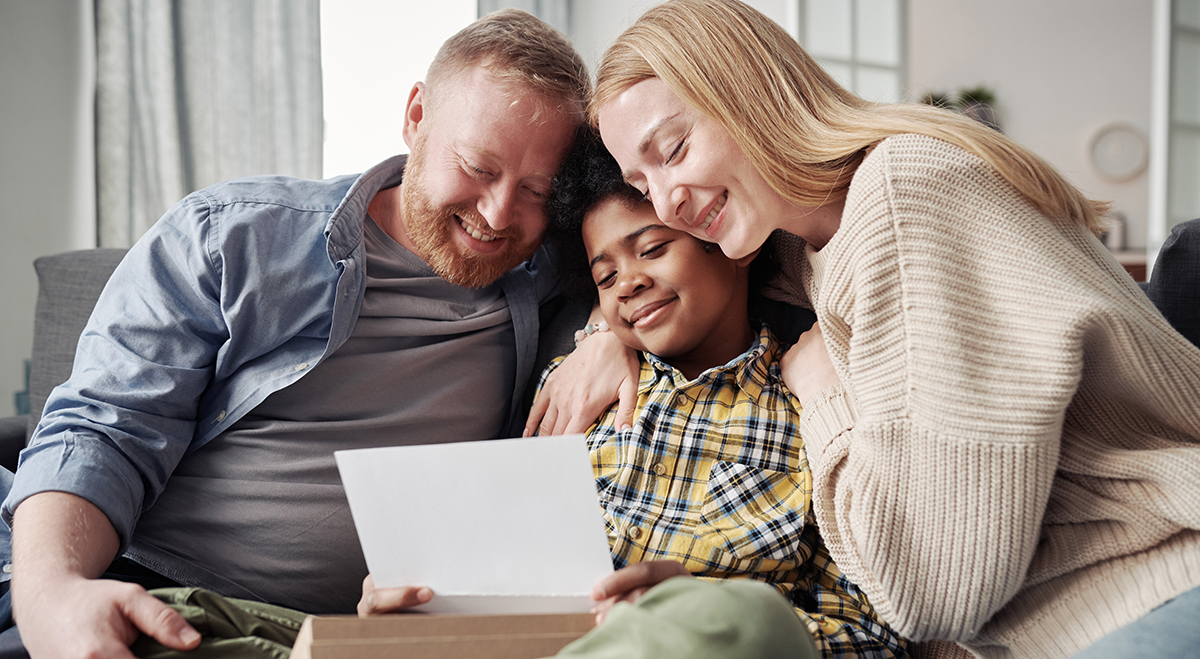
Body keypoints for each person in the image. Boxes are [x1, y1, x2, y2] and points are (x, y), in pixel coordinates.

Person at [0, 10, 632, 659]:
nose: (499, 213)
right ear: (416, 116)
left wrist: (614, 327)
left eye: (536, 189)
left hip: (338, 633)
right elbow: (102, 428)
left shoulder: (552, 269)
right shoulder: (232, 238)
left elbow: (677, 251)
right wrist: (54, 593)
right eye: (477, 166)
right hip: (149, 583)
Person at [589, 1, 1200, 657]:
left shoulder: (905, 195)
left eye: (674, 149)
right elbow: (673, 284)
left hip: (1154, 583)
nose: (670, 201)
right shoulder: (810, 243)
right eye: (642, 182)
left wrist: (824, 394)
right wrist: (602, 333)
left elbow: (933, 594)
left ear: (749, 93)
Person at [360, 129, 908, 659]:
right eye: (605, 276)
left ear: (728, 242)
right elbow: (491, 553)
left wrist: (702, 613)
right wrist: (417, 596)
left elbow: (868, 633)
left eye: (652, 249)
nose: (628, 283)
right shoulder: (574, 395)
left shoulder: (808, 411)